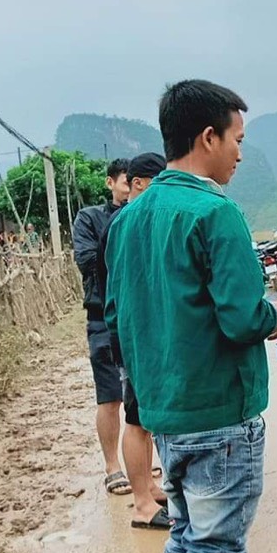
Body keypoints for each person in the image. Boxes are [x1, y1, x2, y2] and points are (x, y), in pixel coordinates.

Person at [105, 80, 277, 553]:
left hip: (164, 412)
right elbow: (243, 317)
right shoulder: (216, 214)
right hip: (219, 414)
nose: (241, 153)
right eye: (238, 139)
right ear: (208, 138)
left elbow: (114, 317)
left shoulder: (128, 219)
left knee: (185, 540)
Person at [102, 152, 171, 530]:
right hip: (132, 337)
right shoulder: (123, 225)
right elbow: (114, 292)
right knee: (136, 418)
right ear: (142, 183)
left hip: (134, 334)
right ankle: (142, 502)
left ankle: (150, 487)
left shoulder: (128, 224)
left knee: (145, 417)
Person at [73, 159, 130, 495]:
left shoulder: (140, 215)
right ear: (111, 183)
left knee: (139, 393)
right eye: (127, 182)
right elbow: (86, 260)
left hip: (136, 318)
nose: (131, 189)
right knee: (110, 396)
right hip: (102, 317)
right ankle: (112, 465)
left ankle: (140, 460)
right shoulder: (90, 218)